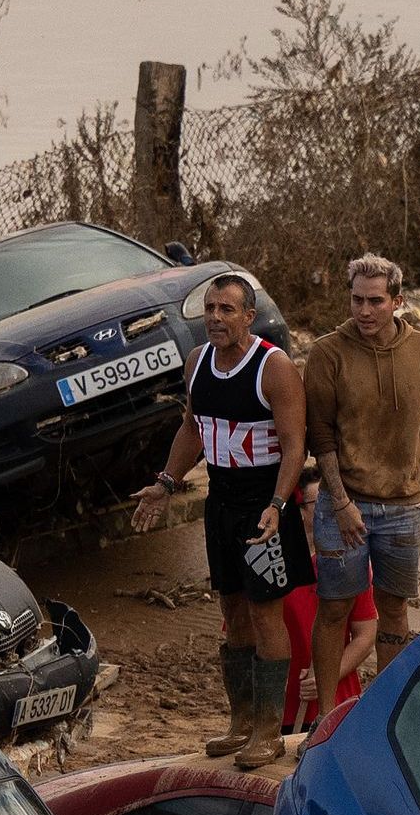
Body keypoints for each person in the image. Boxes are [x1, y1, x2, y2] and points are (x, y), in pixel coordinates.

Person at [128, 271, 310, 764]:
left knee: (264, 611)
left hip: (263, 506)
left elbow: (296, 445)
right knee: (231, 611)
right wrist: (166, 482)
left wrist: (278, 505)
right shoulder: (197, 363)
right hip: (221, 504)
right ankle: (242, 723)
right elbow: (192, 427)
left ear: (249, 316)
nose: (215, 318)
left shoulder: (274, 368)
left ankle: (270, 732)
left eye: (226, 309)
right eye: (210, 308)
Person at [299, 254, 420, 703]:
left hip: (405, 505)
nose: (364, 311)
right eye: (356, 300)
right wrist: (343, 503)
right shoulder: (328, 352)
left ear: (398, 301)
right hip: (343, 504)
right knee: (334, 607)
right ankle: (327, 716)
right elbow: (321, 437)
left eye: (375, 301)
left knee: (394, 610)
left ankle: (382, 711)